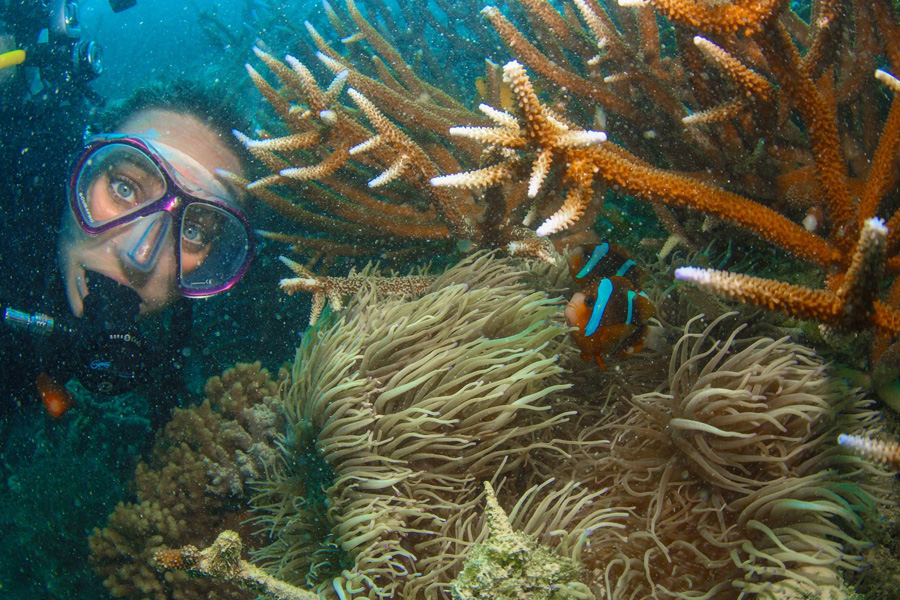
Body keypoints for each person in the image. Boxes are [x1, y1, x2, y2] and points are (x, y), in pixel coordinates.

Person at [1, 80, 255, 422]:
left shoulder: (185, 361)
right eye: (124, 188)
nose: (140, 255)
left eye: (192, 231)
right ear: (79, 172)